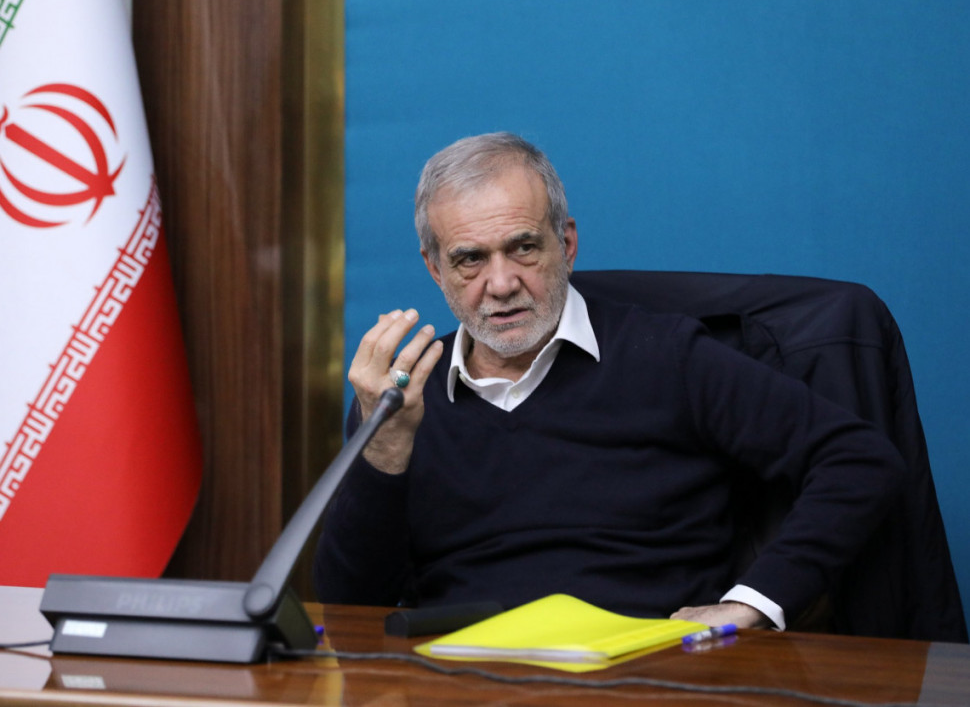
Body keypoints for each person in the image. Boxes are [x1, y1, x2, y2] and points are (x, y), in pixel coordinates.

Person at [313, 132, 904, 630]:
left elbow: (859, 459)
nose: (501, 284)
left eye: (524, 248)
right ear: (434, 268)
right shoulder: (403, 397)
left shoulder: (668, 355)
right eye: (470, 259)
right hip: (464, 677)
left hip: (650, 673)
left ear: (567, 244)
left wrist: (753, 602)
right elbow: (350, 607)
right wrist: (383, 449)